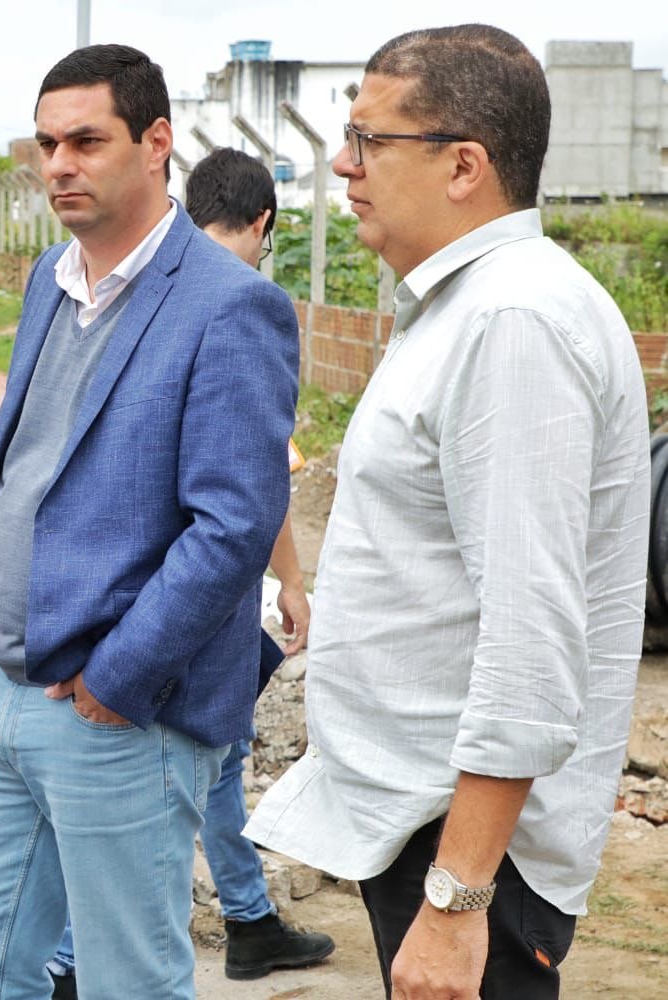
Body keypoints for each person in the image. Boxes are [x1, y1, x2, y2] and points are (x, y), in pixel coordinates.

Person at [245, 25, 648, 1000]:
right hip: (437, 826)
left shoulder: (512, 322)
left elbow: (529, 634)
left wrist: (459, 899)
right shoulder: (466, 306)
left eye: (369, 141)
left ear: (464, 164)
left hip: (472, 852)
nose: (342, 165)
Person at [0, 45, 299, 1000]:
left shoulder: (232, 308)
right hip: (3, 691)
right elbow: (24, 464)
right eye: (46, 144)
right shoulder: (52, 274)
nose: (58, 165)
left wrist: (117, 679)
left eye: (86, 140)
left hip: (119, 714)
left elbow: (234, 526)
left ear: (156, 142)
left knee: (130, 978)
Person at [47, 146, 331, 998]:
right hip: (182, 619)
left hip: (130, 611)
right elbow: (241, 505)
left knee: (200, 770)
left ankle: (245, 918)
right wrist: (288, 579)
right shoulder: (241, 306)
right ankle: (73, 959)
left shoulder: (133, 293)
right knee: (159, 791)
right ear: (265, 224)